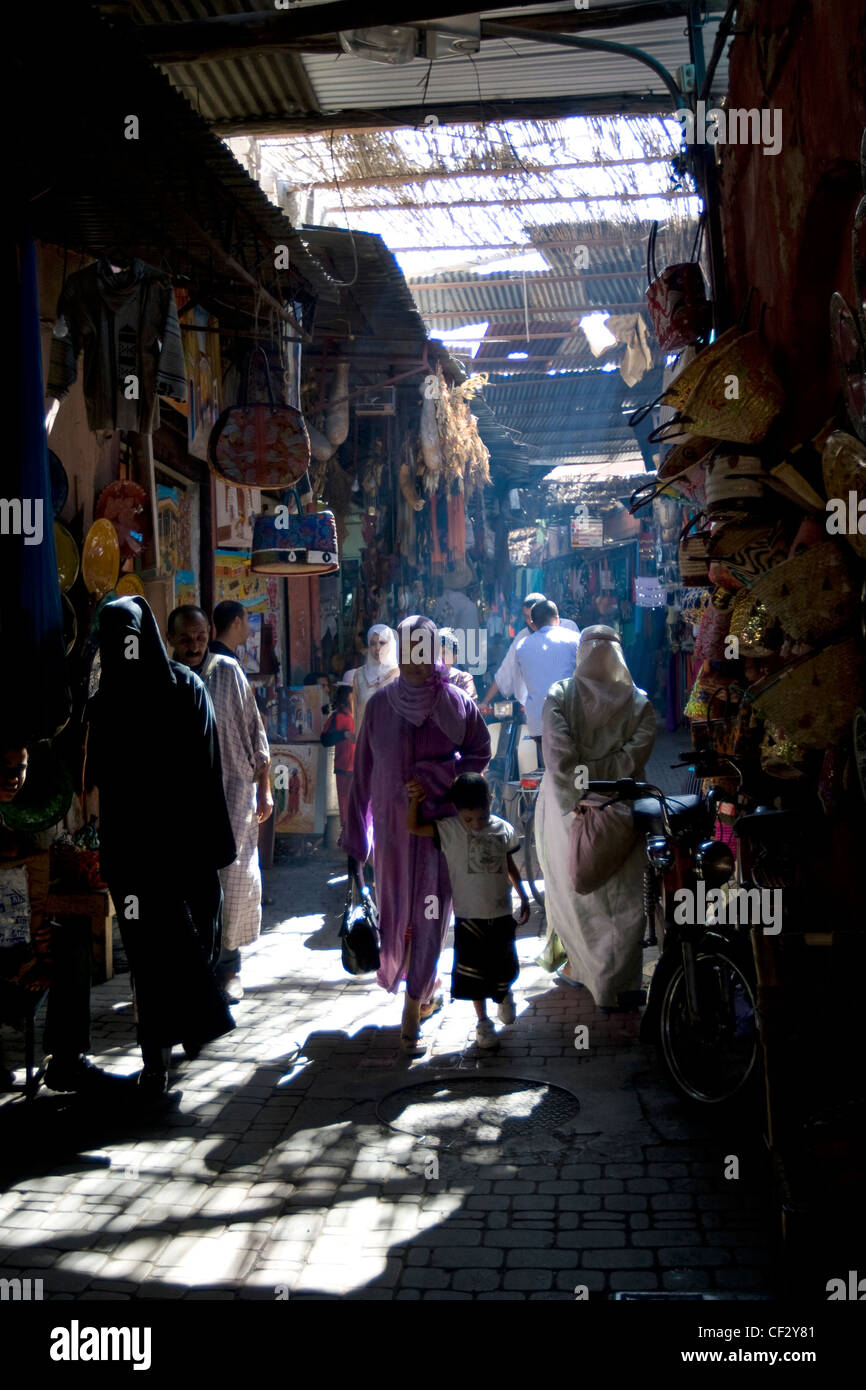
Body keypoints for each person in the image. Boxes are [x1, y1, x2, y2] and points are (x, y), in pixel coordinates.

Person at [87, 597, 237, 1096]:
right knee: (174, 951)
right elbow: (202, 772)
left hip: (148, 857)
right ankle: (168, 1047)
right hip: (169, 855)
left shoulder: (119, 700)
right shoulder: (173, 689)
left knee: (160, 956)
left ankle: (165, 1051)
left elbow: (102, 778)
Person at [342, 615, 491, 1056]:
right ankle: (423, 989)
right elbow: (362, 772)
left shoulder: (455, 703)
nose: (418, 662)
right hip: (391, 833)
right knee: (396, 919)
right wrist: (357, 838)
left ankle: (411, 1010)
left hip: (437, 830)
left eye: (425, 652)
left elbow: (480, 752)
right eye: (411, 652)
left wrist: (438, 775)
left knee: (429, 917)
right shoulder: (382, 706)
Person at [536, 626, 657, 1010]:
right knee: (624, 898)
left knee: (576, 893)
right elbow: (633, 759)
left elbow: (558, 759)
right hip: (623, 810)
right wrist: (611, 780)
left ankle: (584, 970)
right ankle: (617, 984)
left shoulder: (559, 696)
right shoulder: (640, 704)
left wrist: (579, 800)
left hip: (566, 810)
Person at [167, 605, 273, 1003]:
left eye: (199, 637)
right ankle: (195, 970)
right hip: (184, 805)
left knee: (234, 880)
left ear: (208, 633)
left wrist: (264, 787)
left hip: (232, 796)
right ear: (171, 638)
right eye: (185, 639)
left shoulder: (228, 672)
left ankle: (229, 966)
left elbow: (253, 729)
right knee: (192, 887)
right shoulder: (165, 679)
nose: (194, 646)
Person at [407, 772, 529, 1049]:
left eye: (482, 818)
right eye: (469, 819)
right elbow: (413, 827)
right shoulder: (449, 829)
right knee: (474, 975)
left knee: (506, 967)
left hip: (501, 915)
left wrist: (522, 894)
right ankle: (483, 1023)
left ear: (491, 802)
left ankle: (504, 994)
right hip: (468, 918)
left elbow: (509, 865)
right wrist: (415, 799)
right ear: (457, 811)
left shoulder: (504, 829)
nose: (476, 824)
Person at [514, 600, 581, 763]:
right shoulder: (575, 639)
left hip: (539, 723)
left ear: (533, 624)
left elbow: (519, 691)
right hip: (570, 720)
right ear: (557, 619)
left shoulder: (522, 645)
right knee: (574, 770)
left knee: (549, 769)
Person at [479, 592, 546, 710]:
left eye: (533, 616)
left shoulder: (567, 629)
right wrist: (484, 703)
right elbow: (505, 672)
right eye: (526, 616)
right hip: (527, 709)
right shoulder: (522, 637)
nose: (530, 621)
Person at [350, 624, 399, 733]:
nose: (377, 648)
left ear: (390, 644)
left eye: (382, 643)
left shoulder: (400, 677)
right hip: (367, 744)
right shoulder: (359, 675)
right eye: (373, 644)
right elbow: (356, 716)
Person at [321, 682, 355, 832]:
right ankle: (347, 835)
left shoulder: (365, 713)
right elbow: (325, 740)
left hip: (363, 767)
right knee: (345, 805)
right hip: (344, 768)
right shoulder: (337, 717)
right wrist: (343, 734)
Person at [439, 628, 478, 702]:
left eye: (445, 653)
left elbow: (470, 707)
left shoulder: (463, 679)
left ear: (454, 656)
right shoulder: (425, 679)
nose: (441, 657)